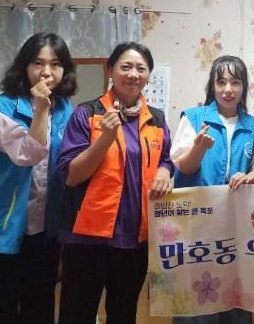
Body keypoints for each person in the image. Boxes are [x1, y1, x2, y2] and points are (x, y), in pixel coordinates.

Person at [57, 42, 174, 324]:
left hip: (135, 239)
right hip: (87, 238)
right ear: (111, 70)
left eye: (141, 68)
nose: (133, 74)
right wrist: (105, 139)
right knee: (77, 314)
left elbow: (166, 158)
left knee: (123, 313)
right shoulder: (87, 113)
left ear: (148, 75)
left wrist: (165, 171)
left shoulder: (156, 119)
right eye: (126, 66)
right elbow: (71, 175)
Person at [0, 32, 77, 324]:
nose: (46, 72)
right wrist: (40, 109)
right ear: (24, 66)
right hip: (0, 229)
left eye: (55, 64)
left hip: (44, 230)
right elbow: (29, 155)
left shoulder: (64, 109)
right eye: (38, 63)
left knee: (39, 308)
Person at [171, 55, 254, 324]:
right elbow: (183, 167)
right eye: (221, 82)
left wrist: (250, 176)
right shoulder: (194, 118)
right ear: (212, 85)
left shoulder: (253, 126)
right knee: (197, 301)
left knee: (235, 297)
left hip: (236, 226)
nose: (228, 89)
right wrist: (198, 149)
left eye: (235, 82)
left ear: (244, 87)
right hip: (196, 224)